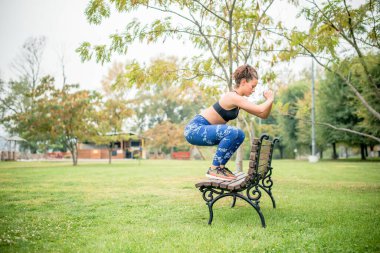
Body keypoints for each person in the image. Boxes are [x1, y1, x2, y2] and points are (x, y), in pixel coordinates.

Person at [184, 64, 274, 180]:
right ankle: (214, 168)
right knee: (232, 131)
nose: (253, 90)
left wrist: (270, 102)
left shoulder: (239, 101)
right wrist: (270, 99)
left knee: (240, 135)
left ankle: (220, 167)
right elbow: (261, 109)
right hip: (194, 129)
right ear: (243, 82)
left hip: (202, 130)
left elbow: (263, 115)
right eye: (252, 86)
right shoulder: (232, 97)